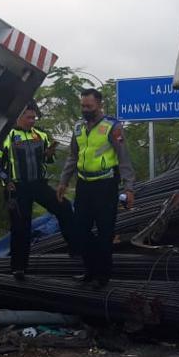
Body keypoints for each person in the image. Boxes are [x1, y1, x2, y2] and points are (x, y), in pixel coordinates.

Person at [55, 88, 135, 288]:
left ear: (99, 105)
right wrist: (63, 182)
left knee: (105, 232)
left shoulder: (112, 127)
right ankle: (89, 270)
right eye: (83, 106)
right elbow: (73, 156)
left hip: (106, 184)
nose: (85, 109)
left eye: (89, 106)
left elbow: (123, 158)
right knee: (80, 230)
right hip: (84, 185)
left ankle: (103, 276)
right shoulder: (79, 127)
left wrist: (129, 188)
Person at [0, 101, 75, 280]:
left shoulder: (40, 135)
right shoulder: (7, 136)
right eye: (29, 118)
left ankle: (75, 248)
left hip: (38, 184)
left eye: (34, 118)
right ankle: (18, 268)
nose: (32, 121)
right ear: (19, 118)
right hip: (17, 188)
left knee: (65, 208)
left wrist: (49, 154)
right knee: (21, 228)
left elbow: (47, 159)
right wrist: (6, 181)